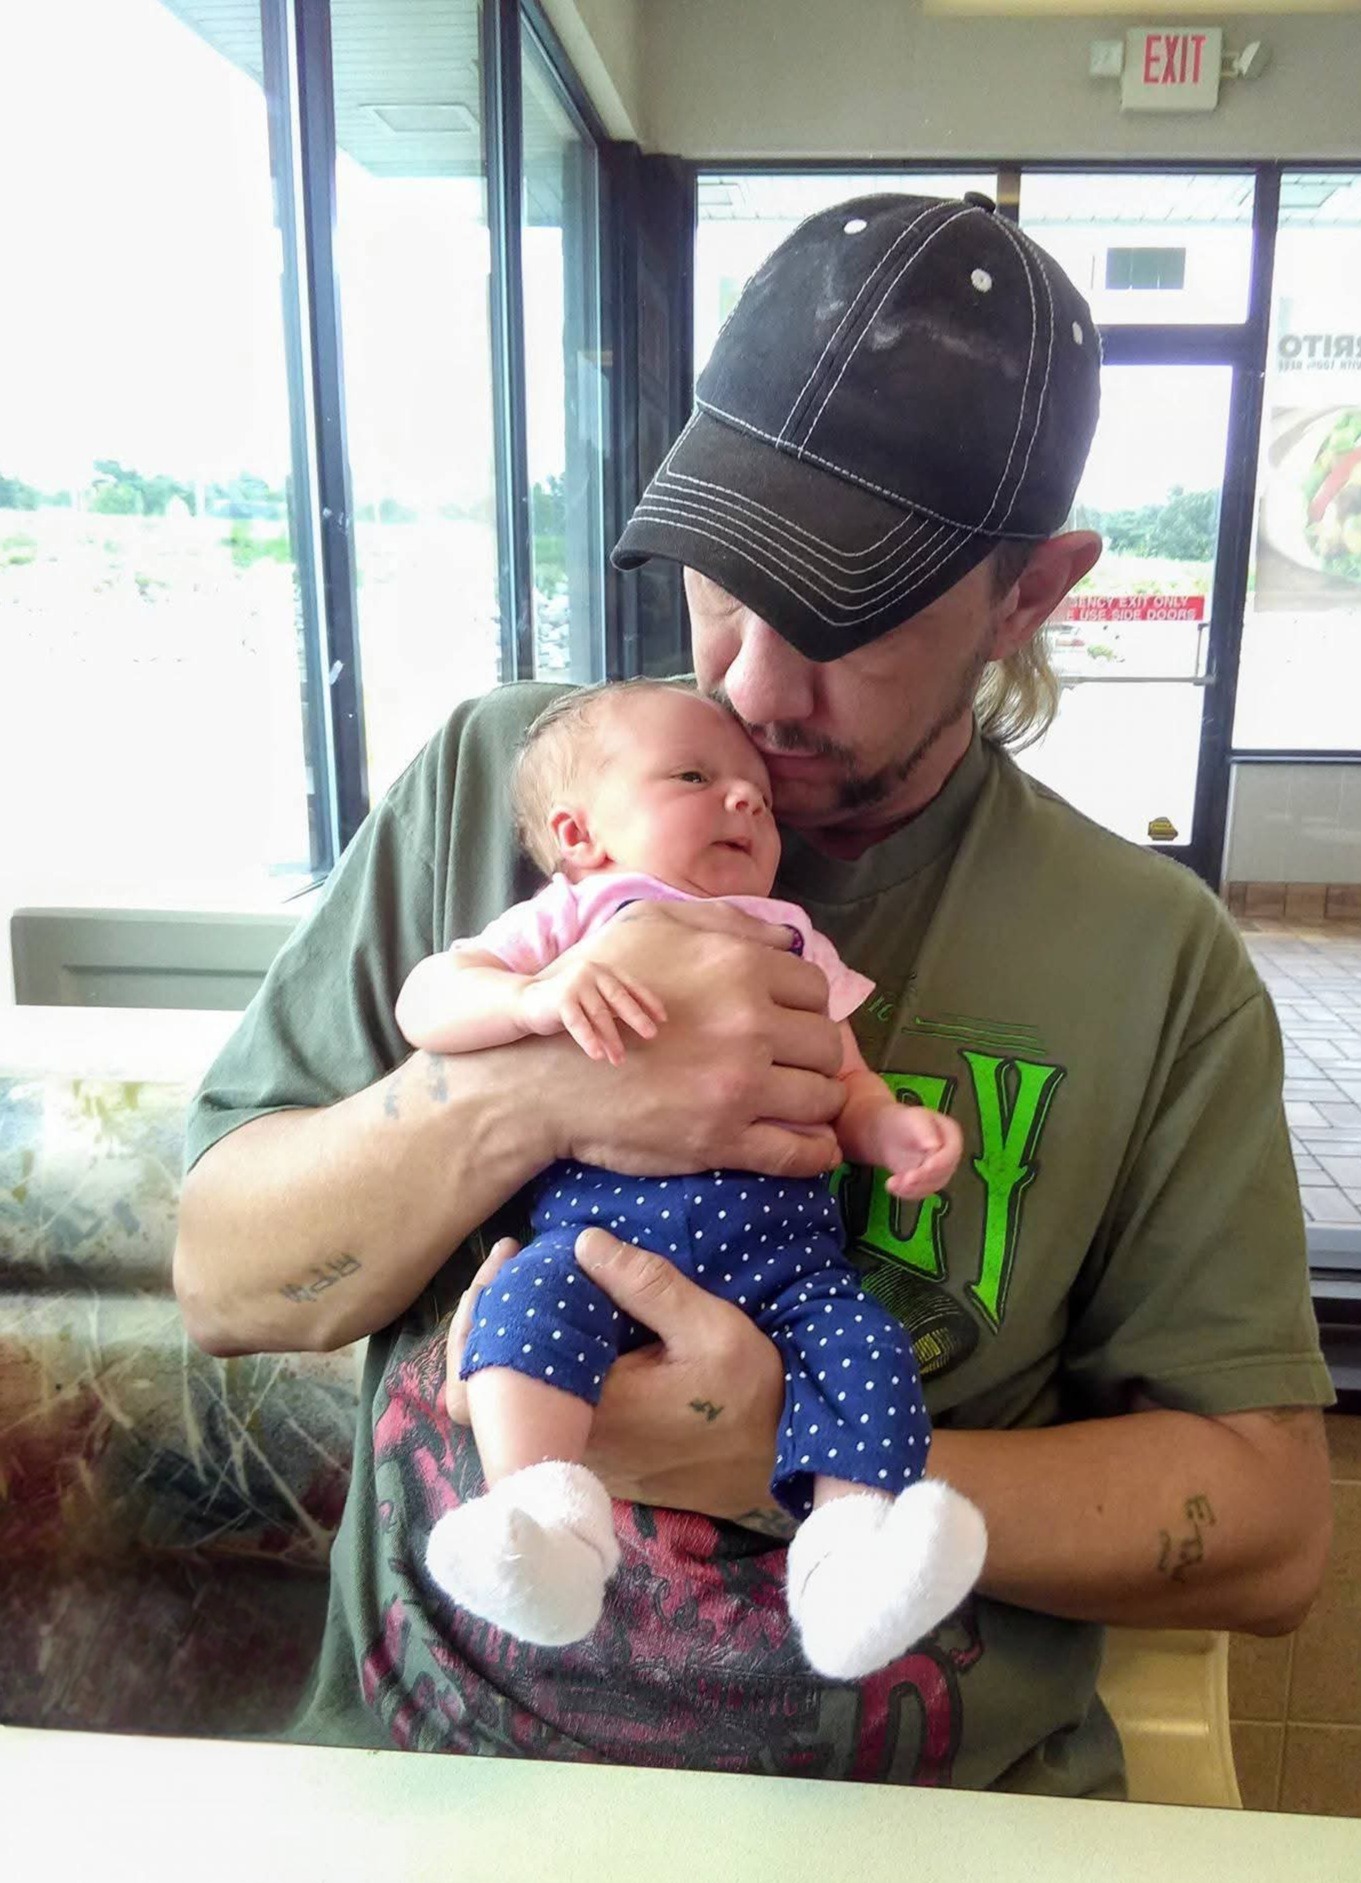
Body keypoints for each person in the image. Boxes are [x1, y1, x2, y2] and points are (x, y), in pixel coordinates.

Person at [173, 192, 1334, 1795]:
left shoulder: (1148, 958)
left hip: (913, 1811)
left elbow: (1271, 1531)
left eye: (856, 616)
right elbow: (225, 1280)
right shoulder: (511, 785)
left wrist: (777, 1453)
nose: (748, 681)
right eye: (726, 578)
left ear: (1029, 594)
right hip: (433, 1776)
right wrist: (538, 1085)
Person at [397, 680, 982, 1676]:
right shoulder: (579, 914)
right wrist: (532, 997)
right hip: (598, 1247)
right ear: (579, 833)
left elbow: (843, 1078)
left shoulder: (791, 934)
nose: (744, 798)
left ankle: (849, 1556)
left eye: (758, 792)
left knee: (866, 1343)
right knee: (519, 1305)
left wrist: (887, 1127)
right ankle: (540, 1519)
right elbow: (428, 998)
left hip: (785, 1264)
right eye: (692, 776)